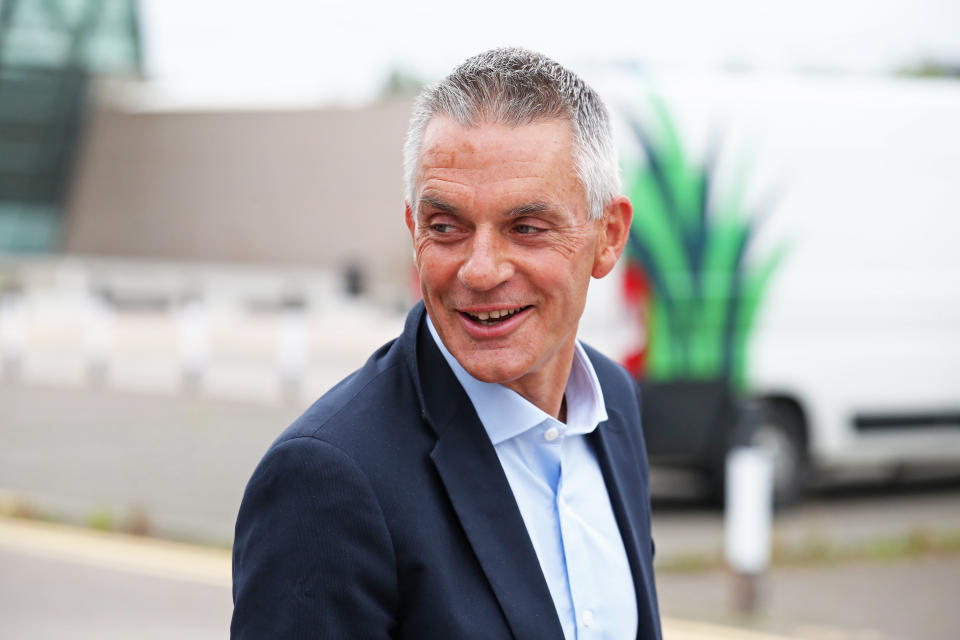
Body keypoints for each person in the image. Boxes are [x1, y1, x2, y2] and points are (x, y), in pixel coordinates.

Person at [231, 47, 662, 640]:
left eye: (526, 228)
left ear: (608, 237)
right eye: (446, 227)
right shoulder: (325, 481)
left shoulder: (613, 403)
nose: (480, 270)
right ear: (414, 232)